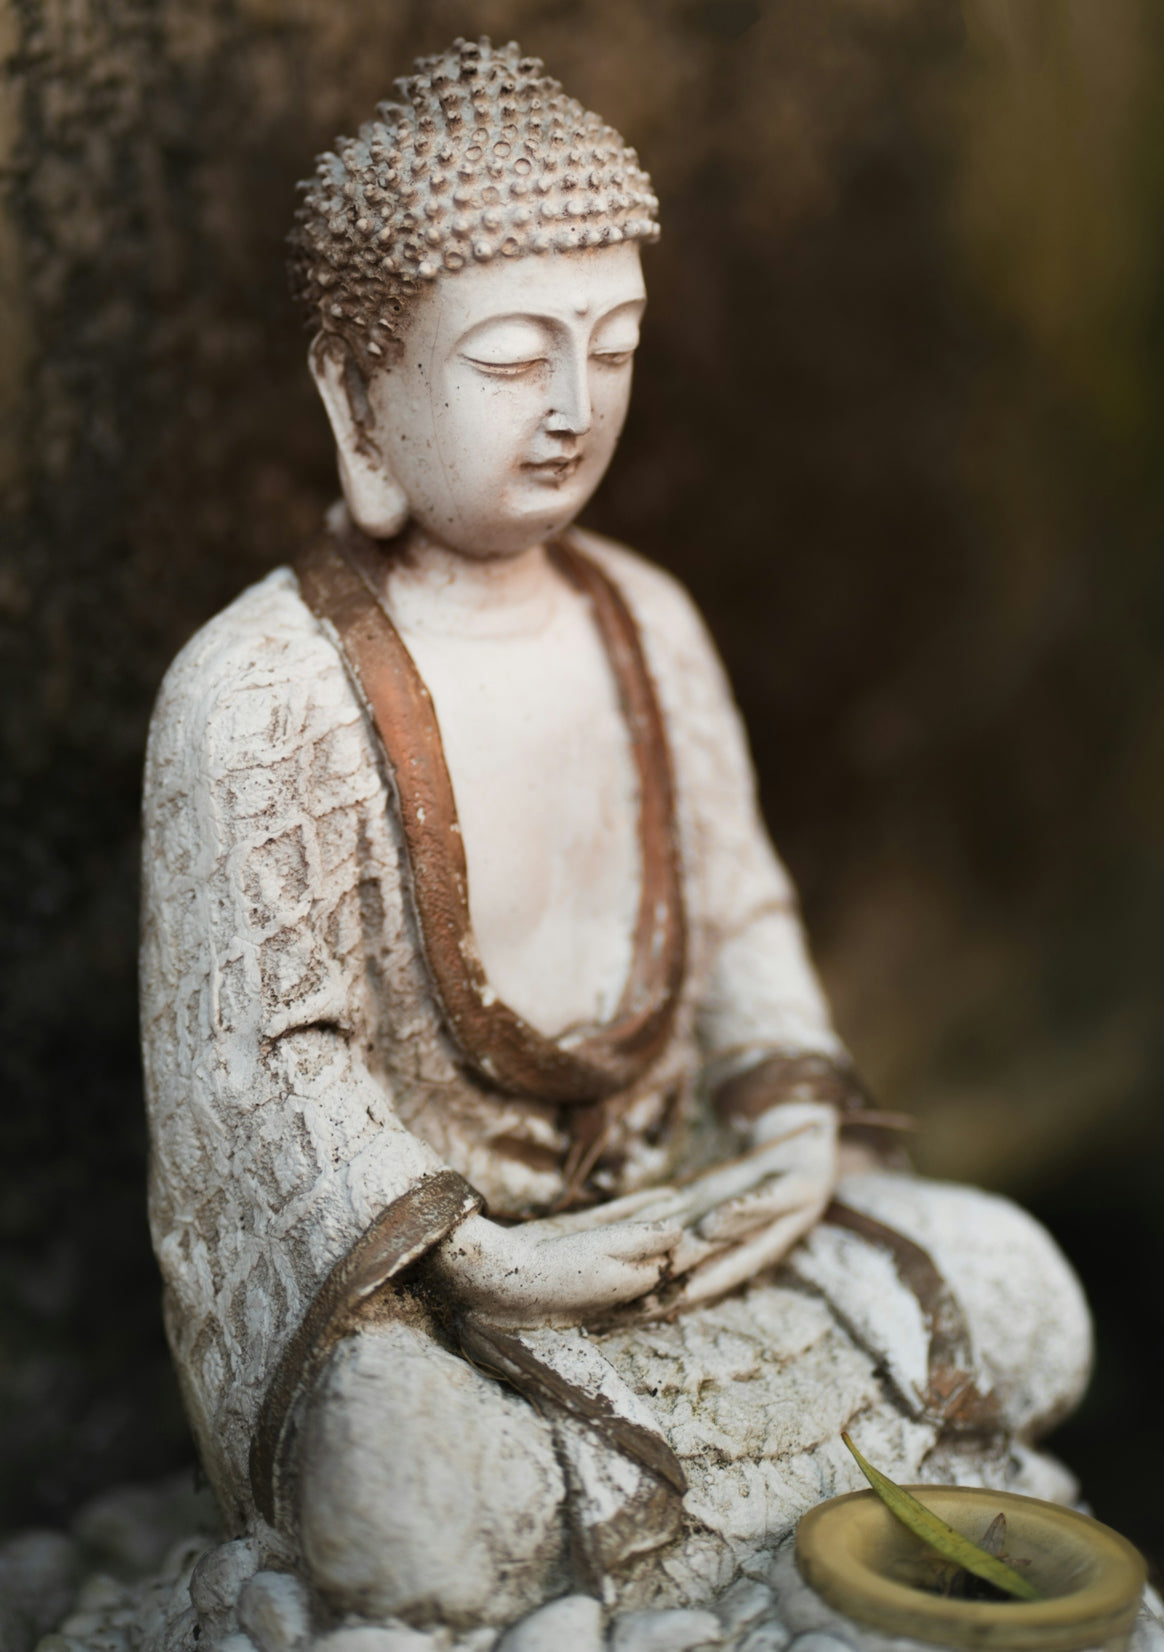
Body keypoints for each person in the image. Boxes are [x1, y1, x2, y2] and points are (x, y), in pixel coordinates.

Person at [140, 38, 1092, 1637]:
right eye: (514, 360)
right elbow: (260, 1079)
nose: (578, 411)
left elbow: (740, 927)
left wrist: (789, 1135)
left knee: (1025, 1290)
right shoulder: (260, 692)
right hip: (439, 1293)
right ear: (355, 394)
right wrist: (492, 1267)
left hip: (691, 1217)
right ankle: (743, 1492)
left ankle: (650, 1512)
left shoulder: (650, 622)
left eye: (616, 347)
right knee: (410, 1505)